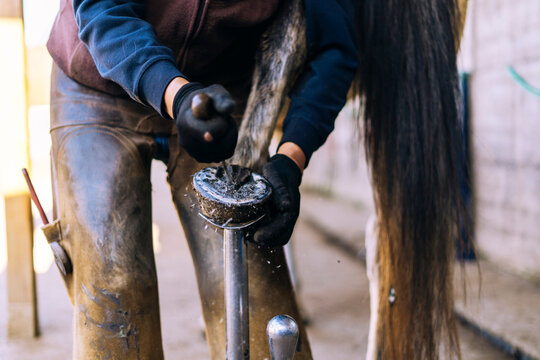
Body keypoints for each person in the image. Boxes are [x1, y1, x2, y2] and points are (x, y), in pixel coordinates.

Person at [46, 0, 357, 358]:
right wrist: (178, 95)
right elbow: (103, 10)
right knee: (114, 289)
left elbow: (334, 49)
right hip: (99, 85)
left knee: (258, 307)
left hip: (220, 101)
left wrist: (290, 159)